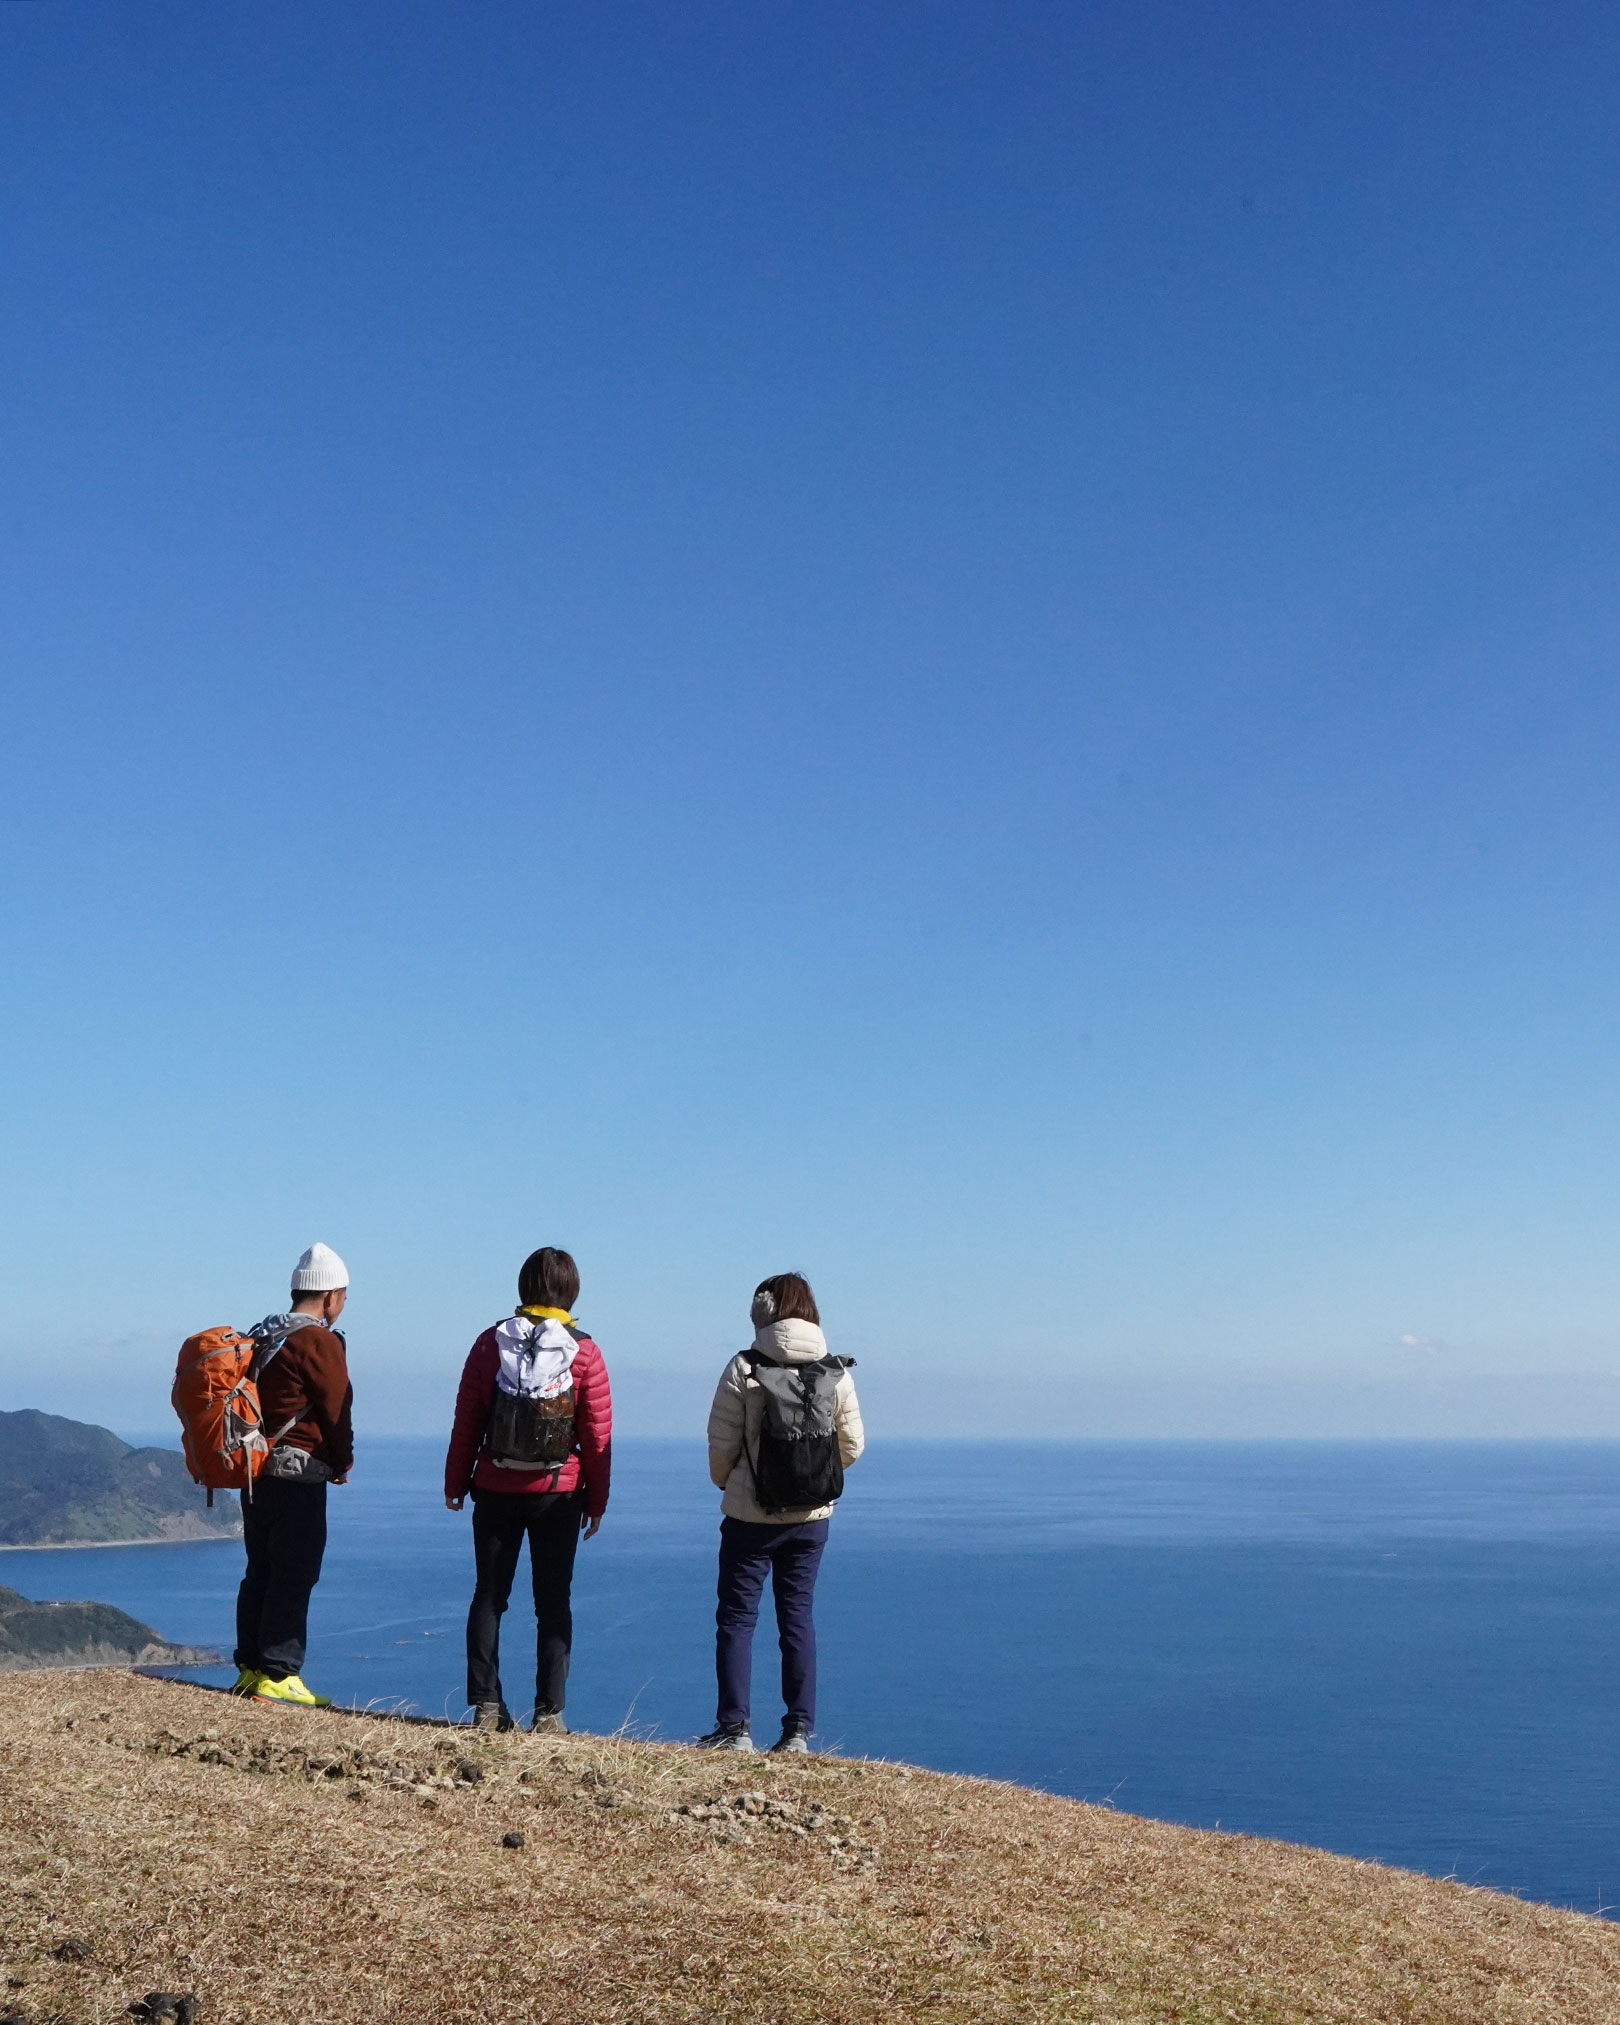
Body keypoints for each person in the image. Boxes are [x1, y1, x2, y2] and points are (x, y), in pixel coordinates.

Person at [444, 1246, 612, 1733]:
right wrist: (596, 1501)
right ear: (572, 1291)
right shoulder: (585, 1352)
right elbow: (597, 1435)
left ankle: (486, 1706)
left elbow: (468, 1420)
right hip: (559, 1493)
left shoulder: (488, 1344)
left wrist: (456, 1481)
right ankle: (550, 1712)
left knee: (490, 1595)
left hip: (494, 1486)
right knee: (553, 1601)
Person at [700, 1271, 864, 1755]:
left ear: (763, 1313)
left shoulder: (743, 1366)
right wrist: (811, 1479)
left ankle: (734, 1730)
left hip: (749, 1516)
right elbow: (852, 1444)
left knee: (737, 1619)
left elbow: (721, 1444)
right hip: (810, 1520)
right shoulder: (834, 1370)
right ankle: (797, 1732)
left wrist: (733, 1484)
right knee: (797, 1619)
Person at [231, 1241, 355, 1708]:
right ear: (331, 1296)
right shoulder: (319, 1341)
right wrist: (342, 1463)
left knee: (260, 1568)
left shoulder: (264, 1334)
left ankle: (251, 1668)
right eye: (342, 1297)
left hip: (253, 1470)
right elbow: (336, 1409)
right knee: (296, 1571)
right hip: (297, 1472)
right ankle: (280, 1672)